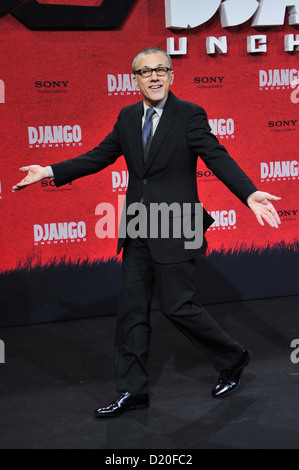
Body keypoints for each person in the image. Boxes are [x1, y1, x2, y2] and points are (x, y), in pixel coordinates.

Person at [13, 47, 281, 417]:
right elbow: (99, 155)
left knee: (177, 307)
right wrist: (50, 170)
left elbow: (217, 156)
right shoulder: (126, 117)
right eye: (145, 72)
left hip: (178, 224)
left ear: (172, 76)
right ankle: (132, 391)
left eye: (161, 70)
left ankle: (234, 357)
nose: (154, 77)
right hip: (138, 226)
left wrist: (248, 193)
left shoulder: (189, 115)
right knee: (132, 313)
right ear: (134, 79)